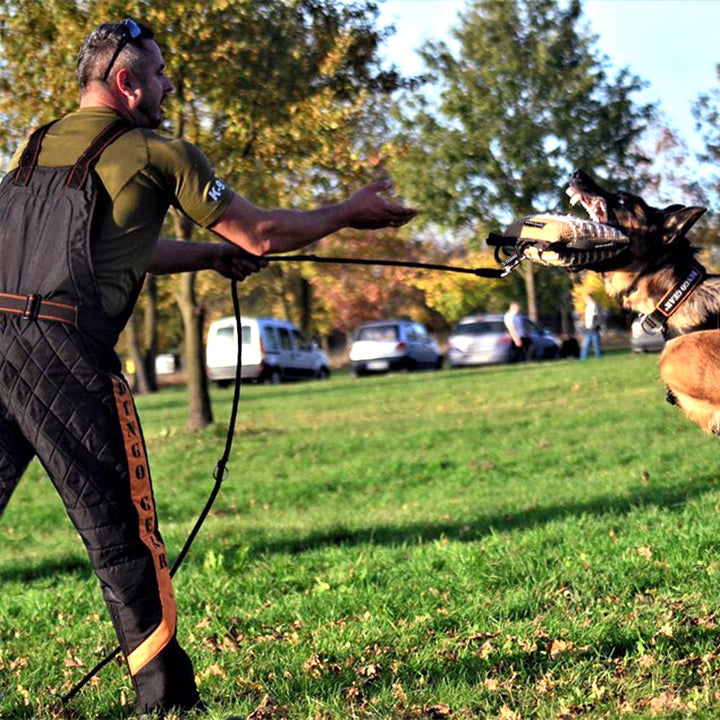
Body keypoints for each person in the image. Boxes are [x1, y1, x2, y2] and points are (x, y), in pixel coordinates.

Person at [0, 19, 417, 718]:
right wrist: (349, 211)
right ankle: (166, 700)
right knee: (122, 535)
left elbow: (112, 248)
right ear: (128, 83)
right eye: (159, 74)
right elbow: (262, 232)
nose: (169, 85)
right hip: (63, 357)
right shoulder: (160, 150)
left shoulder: (37, 143)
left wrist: (204, 255)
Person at [580, 293, 603, 359]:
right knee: (585, 345)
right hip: (588, 329)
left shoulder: (596, 306)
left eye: (587, 298)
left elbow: (599, 318)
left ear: (591, 298)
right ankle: (583, 359)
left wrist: (595, 325)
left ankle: (598, 358)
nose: (586, 300)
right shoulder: (587, 307)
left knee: (596, 345)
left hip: (594, 329)